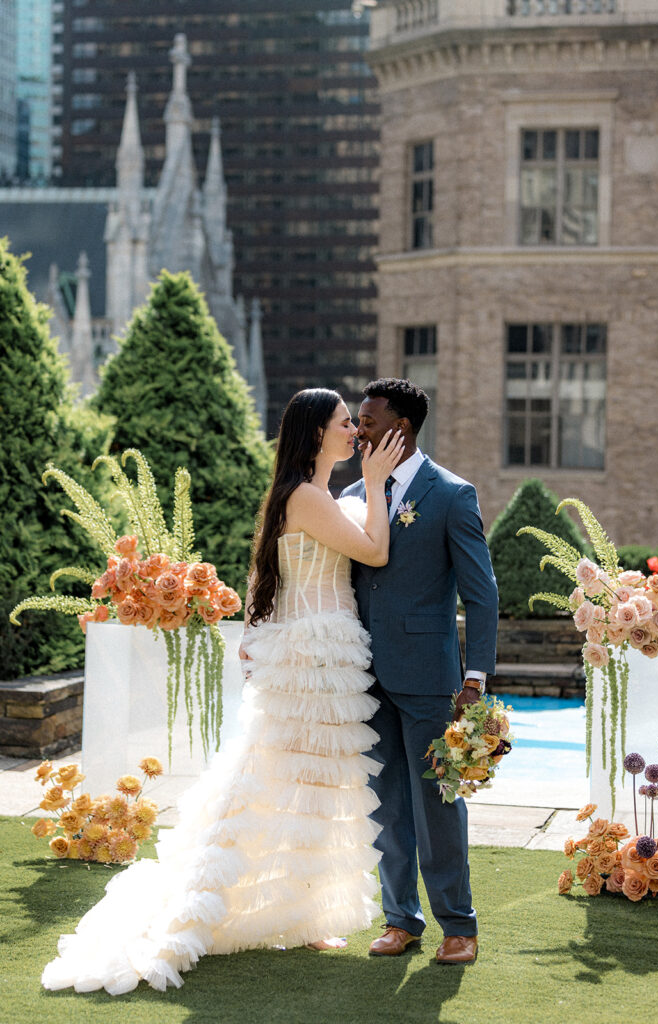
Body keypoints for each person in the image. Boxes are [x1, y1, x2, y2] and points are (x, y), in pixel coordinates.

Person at [41, 388, 404, 995]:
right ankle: (217, 904)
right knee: (283, 779)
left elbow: (266, 573)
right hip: (314, 653)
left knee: (312, 786)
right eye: (347, 424)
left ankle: (304, 914)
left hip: (318, 648)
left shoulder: (299, 495)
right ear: (317, 433)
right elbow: (374, 550)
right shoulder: (309, 497)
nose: (356, 434)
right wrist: (373, 483)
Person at [341, 378, 498, 965]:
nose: (358, 431)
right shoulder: (355, 494)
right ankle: (400, 921)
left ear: (400, 429)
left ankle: (459, 926)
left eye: (369, 421)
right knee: (385, 805)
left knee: (437, 802)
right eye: (357, 422)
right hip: (365, 676)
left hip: (431, 678)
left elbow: (482, 596)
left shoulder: (453, 495)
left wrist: (475, 678)